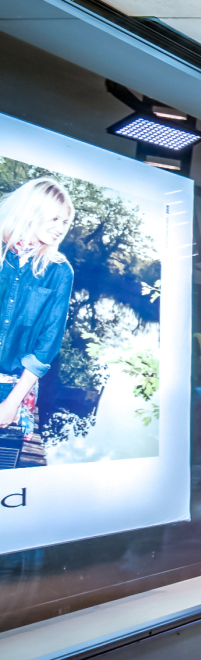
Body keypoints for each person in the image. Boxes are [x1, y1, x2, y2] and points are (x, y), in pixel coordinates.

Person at [0, 178, 75, 460]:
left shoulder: (59, 271)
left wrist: (11, 402)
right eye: (54, 217)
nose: (60, 228)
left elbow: (47, 344)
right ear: (31, 210)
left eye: (65, 222)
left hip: (12, 388)